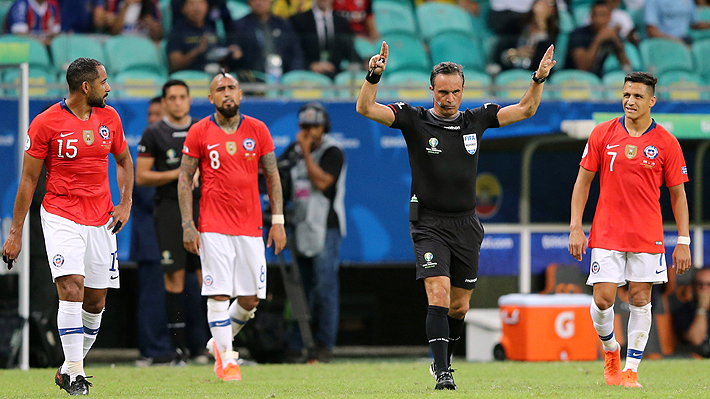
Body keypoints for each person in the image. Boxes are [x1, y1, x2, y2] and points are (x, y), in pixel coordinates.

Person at [356, 41, 556, 390]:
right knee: (438, 294)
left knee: (459, 307)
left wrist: (538, 77)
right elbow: (365, 108)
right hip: (428, 222)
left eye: (455, 92)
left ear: (463, 91)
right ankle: (442, 371)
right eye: (443, 92)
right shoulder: (414, 119)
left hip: (466, 224)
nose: (449, 99)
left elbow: (525, 110)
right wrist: (373, 75)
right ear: (431, 90)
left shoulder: (475, 120)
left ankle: (444, 357)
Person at [2, 57, 133, 395]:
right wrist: (14, 233)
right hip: (61, 214)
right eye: (104, 82)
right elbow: (29, 180)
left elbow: (123, 160)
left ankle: (66, 367)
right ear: (85, 87)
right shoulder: (46, 123)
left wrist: (125, 202)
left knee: (96, 302)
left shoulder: (110, 117)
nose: (109, 87)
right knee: (71, 287)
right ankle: (75, 373)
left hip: (102, 219)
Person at [568, 71, 692, 388]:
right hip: (607, 229)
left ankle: (630, 371)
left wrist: (683, 240)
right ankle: (611, 350)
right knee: (604, 298)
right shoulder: (602, 134)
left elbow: (678, 195)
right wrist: (575, 227)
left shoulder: (666, 142)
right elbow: (583, 182)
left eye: (637, 96)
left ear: (652, 101)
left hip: (646, 233)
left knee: (640, 298)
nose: (630, 101)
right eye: (626, 94)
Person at [178, 71, 287, 380]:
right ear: (210, 98)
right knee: (219, 293)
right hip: (212, 225)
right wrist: (188, 224)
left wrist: (277, 222)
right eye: (219, 89)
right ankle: (227, 359)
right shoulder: (199, 131)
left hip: (251, 226)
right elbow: (185, 179)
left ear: (241, 94)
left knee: (251, 298)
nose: (227, 92)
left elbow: (272, 176)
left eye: (232, 88)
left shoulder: (258, 129)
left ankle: (218, 341)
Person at [136, 79, 209, 363]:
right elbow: (142, 176)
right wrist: (181, 174)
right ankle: (179, 350)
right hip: (168, 210)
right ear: (164, 102)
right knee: (174, 278)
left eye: (182, 96)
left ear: (190, 100)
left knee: (209, 279)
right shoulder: (154, 132)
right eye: (172, 98)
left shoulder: (204, 128)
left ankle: (208, 346)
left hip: (204, 208)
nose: (178, 102)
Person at [279, 102, 346, 363]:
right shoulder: (292, 152)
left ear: (324, 127)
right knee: (301, 287)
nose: (310, 132)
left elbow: (322, 182)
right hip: (300, 225)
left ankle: (324, 345)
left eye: (315, 126)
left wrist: (306, 154)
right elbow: (273, 176)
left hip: (326, 226)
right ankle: (298, 343)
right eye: (305, 126)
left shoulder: (333, 152)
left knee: (325, 287)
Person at [229, 0, 305, 80]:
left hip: (283, 78)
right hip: (252, 79)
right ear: (249, 2)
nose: (259, 3)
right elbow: (234, 54)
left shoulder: (283, 24)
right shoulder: (238, 26)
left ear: (271, 1)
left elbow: (296, 53)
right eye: (254, 0)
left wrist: (293, 76)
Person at [290, 0, 359, 78]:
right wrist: (310, 65)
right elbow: (294, 52)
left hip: (335, 75)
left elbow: (350, 52)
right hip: (307, 75)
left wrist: (365, 63)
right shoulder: (298, 20)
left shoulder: (342, 22)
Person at [566, 0, 630, 77]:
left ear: (610, 16)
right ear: (591, 16)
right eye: (595, 15)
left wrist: (616, 42)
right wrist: (598, 40)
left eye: (603, 15)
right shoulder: (578, 34)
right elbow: (582, 68)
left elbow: (627, 67)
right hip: (573, 79)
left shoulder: (612, 35)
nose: (599, 19)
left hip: (598, 79)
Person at [493, 0, 558, 72]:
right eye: (542, 2)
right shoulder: (516, 24)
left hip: (536, 74)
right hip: (510, 72)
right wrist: (515, 52)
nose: (544, 6)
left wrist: (541, 24)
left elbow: (551, 57)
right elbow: (499, 51)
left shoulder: (556, 32)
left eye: (550, 4)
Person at [166, 0, 219, 73]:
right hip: (189, 75)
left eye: (200, 3)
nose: (197, 8)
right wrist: (197, 50)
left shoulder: (212, 30)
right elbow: (175, 65)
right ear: (183, 9)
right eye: (192, 4)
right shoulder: (177, 32)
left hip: (213, 73)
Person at [673, 266, 710, 358]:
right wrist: (702, 308)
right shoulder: (684, 310)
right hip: (697, 357)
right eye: (700, 284)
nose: (704, 289)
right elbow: (696, 340)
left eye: (708, 285)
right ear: (693, 286)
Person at [645, 0, 710, 44]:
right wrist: (675, 41)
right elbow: (651, 31)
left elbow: (694, 24)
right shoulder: (653, 1)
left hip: (685, 40)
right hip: (664, 43)